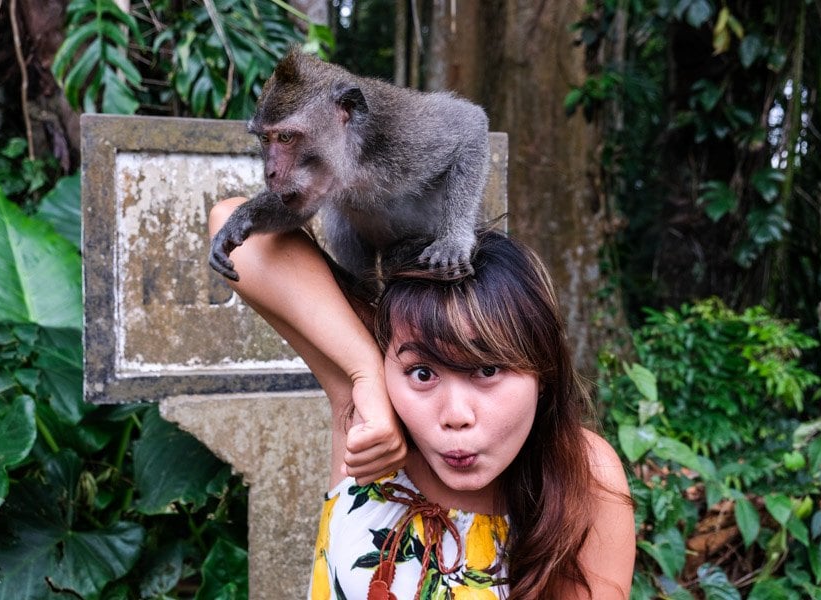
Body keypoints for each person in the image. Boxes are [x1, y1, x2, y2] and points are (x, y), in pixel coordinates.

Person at [208, 198, 636, 599]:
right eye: (423, 373)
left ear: (542, 370)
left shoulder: (584, 474)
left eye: (487, 371)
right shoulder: (370, 420)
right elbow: (238, 230)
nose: (455, 416)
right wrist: (366, 377)